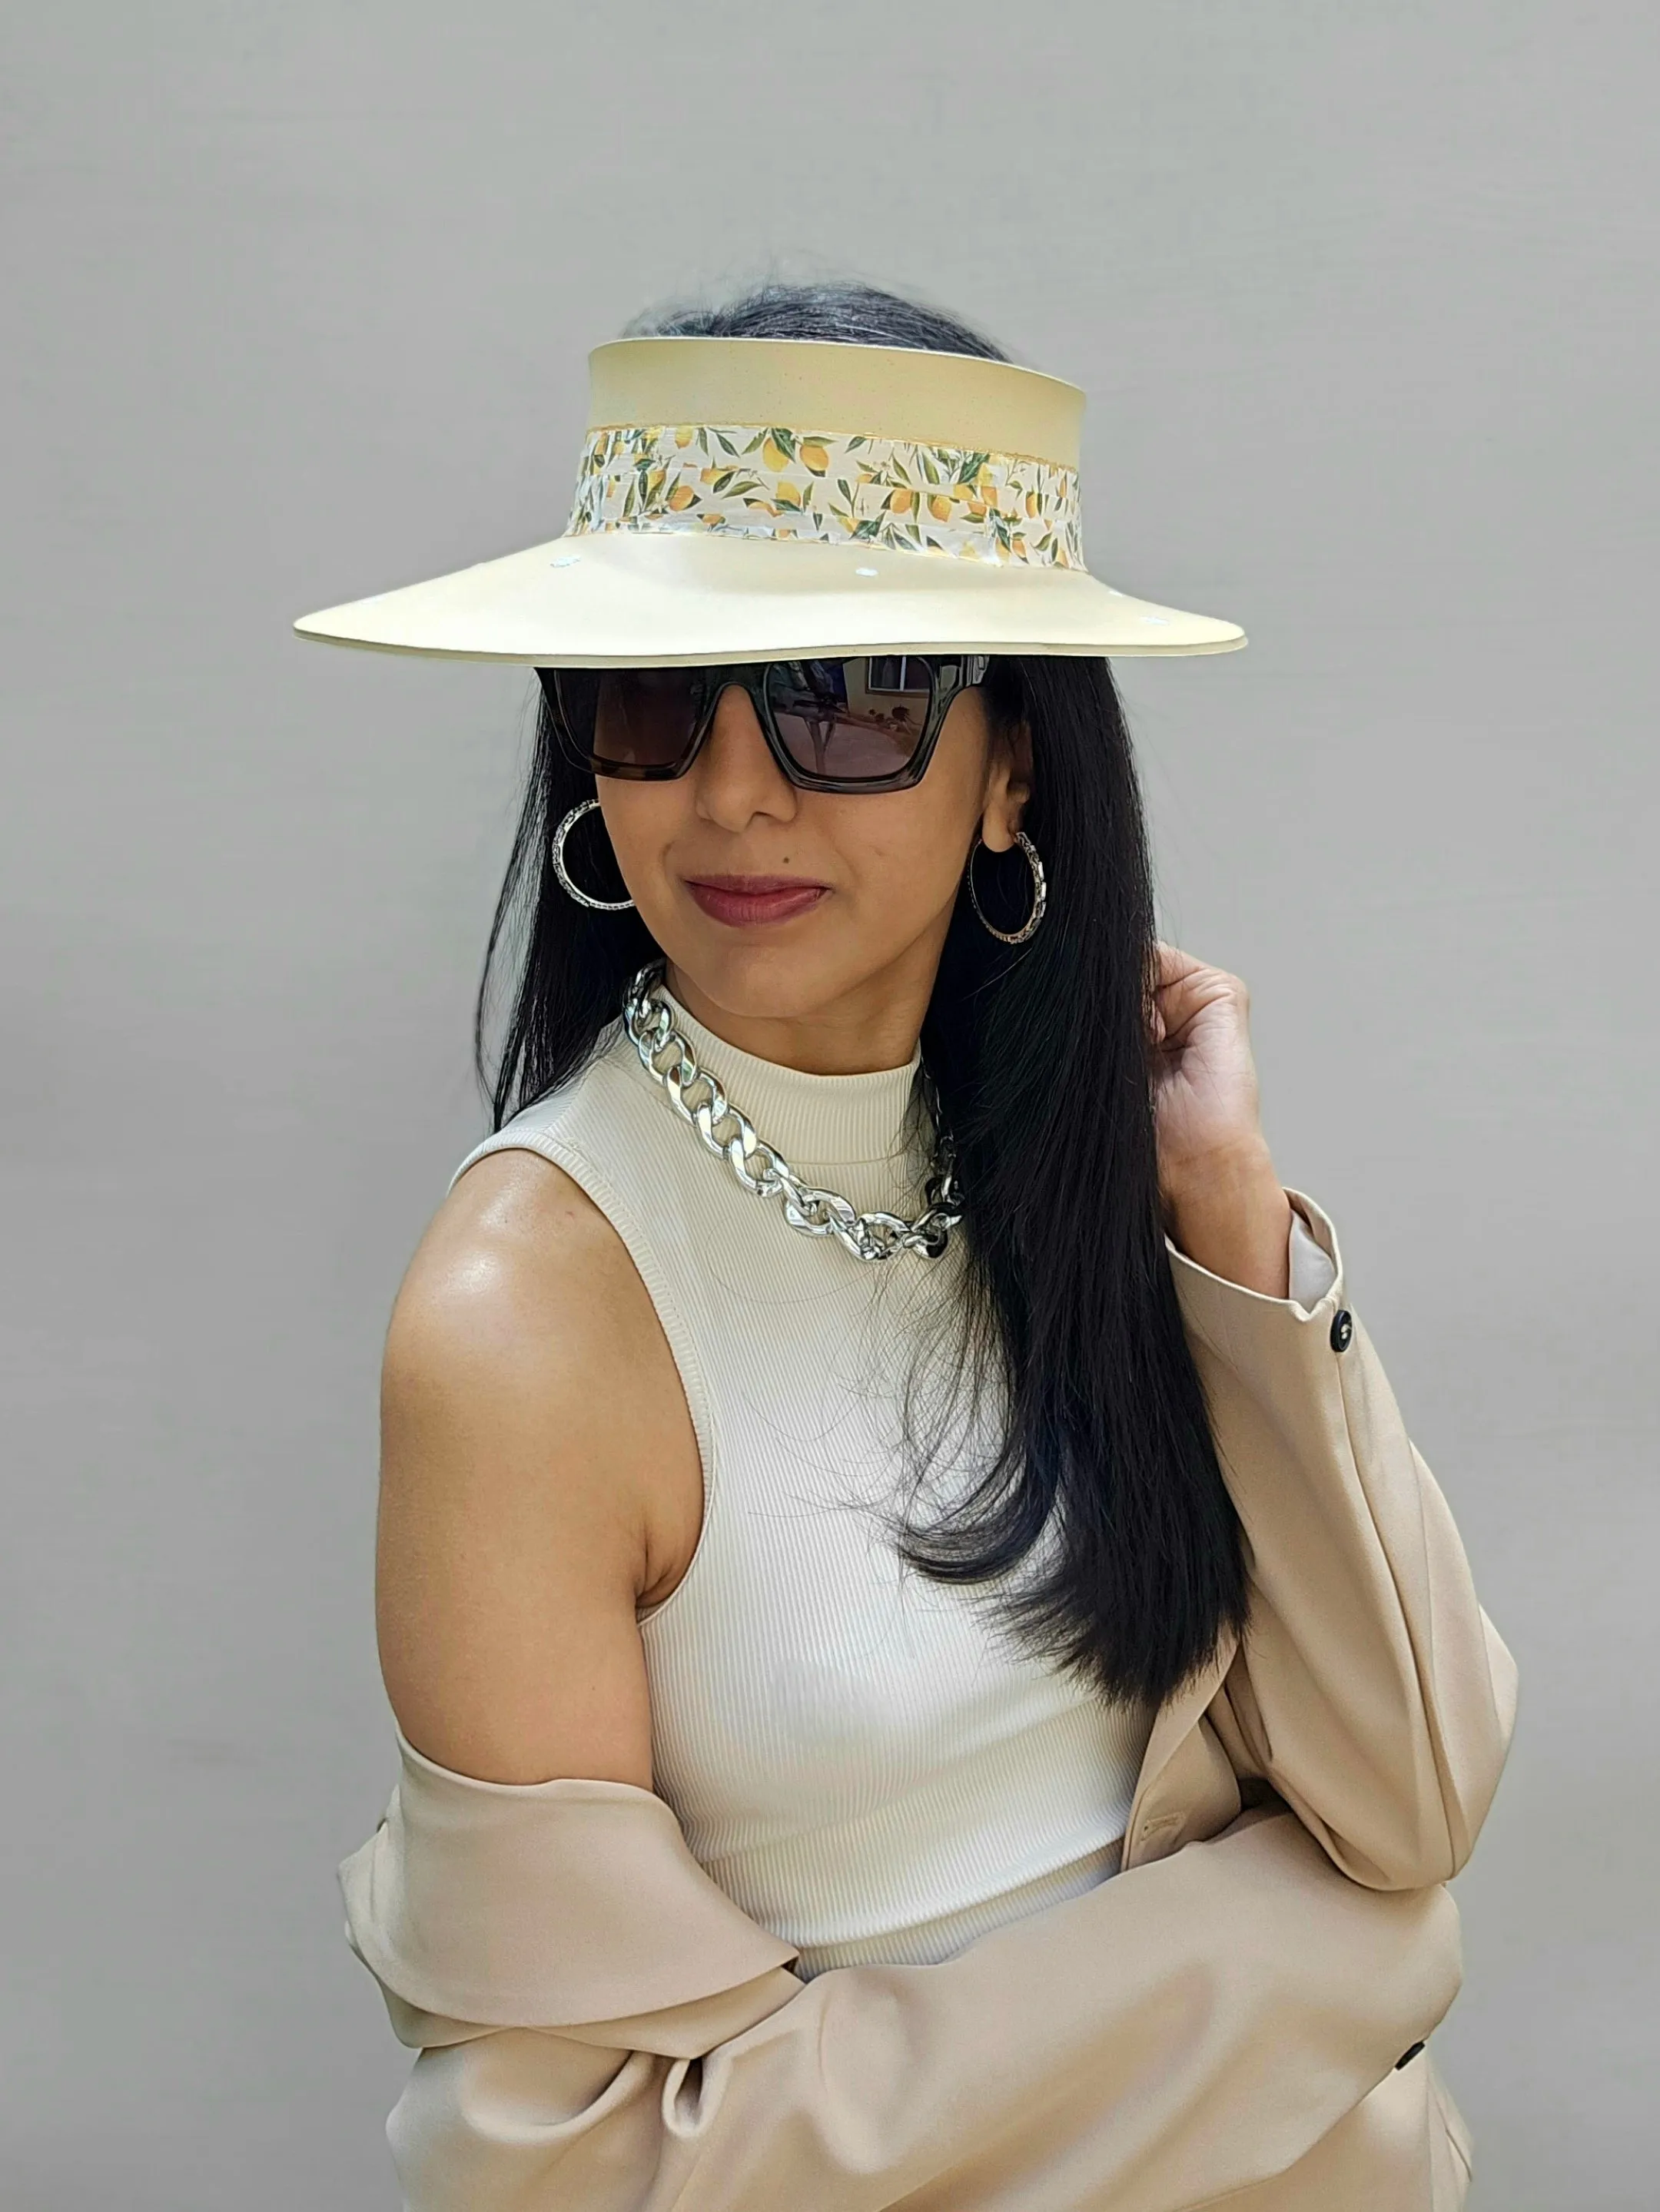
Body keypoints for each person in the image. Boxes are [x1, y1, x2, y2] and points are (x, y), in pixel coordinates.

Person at [296, 282, 1516, 2209]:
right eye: (651, 703)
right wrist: (1312, 1964)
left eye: (849, 692)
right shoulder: (525, 1311)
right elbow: (557, 2158)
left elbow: (1418, 1786)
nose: (735, 789)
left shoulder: (1092, 1174)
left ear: (1015, 763)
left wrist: (1230, 1220)